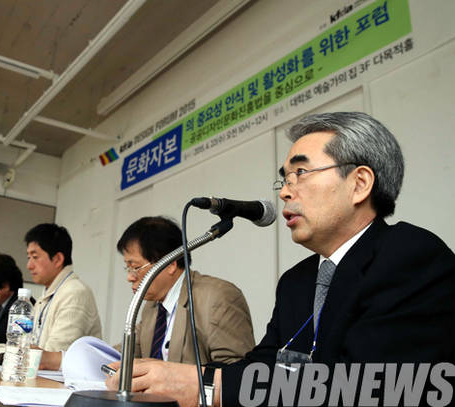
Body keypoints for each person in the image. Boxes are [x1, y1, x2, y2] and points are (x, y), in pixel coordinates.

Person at [106, 112, 455, 406]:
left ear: (359, 183)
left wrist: (206, 387)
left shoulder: (411, 257)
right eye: (284, 179)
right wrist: (172, 377)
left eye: (300, 173)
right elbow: (262, 366)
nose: (285, 192)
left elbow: (374, 387)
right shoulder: (296, 281)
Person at [115, 216, 254, 364]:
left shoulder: (219, 298)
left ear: (170, 264)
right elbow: (126, 354)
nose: (130, 277)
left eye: (136, 267)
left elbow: (237, 370)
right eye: (128, 268)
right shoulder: (152, 306)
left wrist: (170, 374)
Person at [27, 223, 102, 354]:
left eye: (35, 257)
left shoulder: (75, 293)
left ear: (57, 259)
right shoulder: (46, 296)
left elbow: (51, 355)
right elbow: (26, 344)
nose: (29, 265)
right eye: (29, 258)